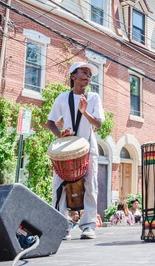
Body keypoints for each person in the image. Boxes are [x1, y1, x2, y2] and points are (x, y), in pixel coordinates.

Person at [47, 62, 105, 240]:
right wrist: (60, 135)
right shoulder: (62, 98)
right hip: (66, 150)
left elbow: (98, 124)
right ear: (73, 76)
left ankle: (88, 225)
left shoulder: (93, 97)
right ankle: (61, 226)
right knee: (59, 186)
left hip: (88, 148)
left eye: (90, 74)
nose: (88, 76)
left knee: (90, 185)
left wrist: (85, 112)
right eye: (84, 72)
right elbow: (50, 122)